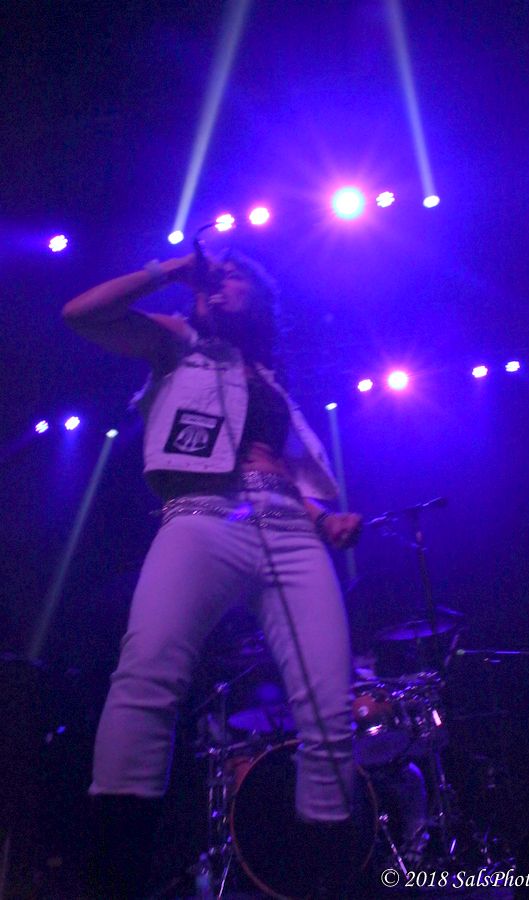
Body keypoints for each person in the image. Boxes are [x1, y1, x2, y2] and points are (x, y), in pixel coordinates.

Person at [62, 249, 363, 897]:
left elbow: (277, 466)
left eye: (235, 273)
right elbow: (81, 314)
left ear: (261, 296)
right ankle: (114, 876)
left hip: (290, 530)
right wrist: (171, 270)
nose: (220, 277)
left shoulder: (272, 379)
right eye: (214, 273)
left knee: (329, 708)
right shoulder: (178, 344)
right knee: (147, 679)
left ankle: (324, 879)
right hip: (203, 516)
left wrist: (322, 517)